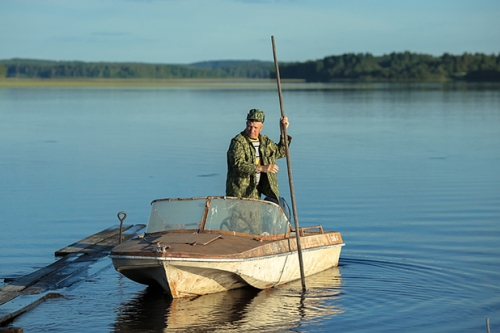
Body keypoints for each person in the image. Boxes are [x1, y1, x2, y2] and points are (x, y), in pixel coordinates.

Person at [226, 108, 291, 201]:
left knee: (256, 215)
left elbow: (281, 152)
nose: (252, 130)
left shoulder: (265, 141)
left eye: (255, 127)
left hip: (256, 191)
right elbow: (238, 164)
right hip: (240, 193)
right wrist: (262, 168)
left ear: (261, 128)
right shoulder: (237, 142)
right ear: (246, 124)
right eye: (249, 126)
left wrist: (283, 132)